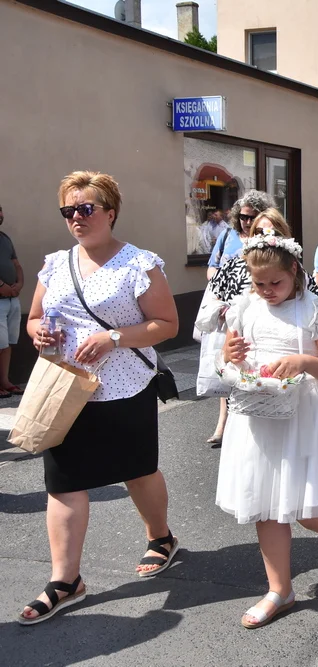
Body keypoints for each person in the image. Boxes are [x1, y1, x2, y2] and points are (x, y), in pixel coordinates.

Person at [19, 171, 180, 625]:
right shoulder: (55, 264)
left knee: (138, 470)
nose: (76, 218)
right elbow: (33, 319)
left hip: (125, 384)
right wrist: (40, 333)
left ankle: (161, 537)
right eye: (68, 211)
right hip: (66, 386)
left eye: (86, 209)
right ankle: (65, 579)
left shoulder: (138, 264)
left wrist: (113, 337)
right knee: (63, 480)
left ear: (111, 212)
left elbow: (166, 323)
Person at [216, 231, 318, 629]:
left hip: (305, 419)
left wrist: (305, 362)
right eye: (258, 282)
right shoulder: (245, 307)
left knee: (308, 510)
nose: (266, 290)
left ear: (294, 270)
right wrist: (229, 355)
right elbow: (230, 357)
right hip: (259, 415)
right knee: (265, 506)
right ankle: (280, 589)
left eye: (274, 283)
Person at [202, 207, 317, 445]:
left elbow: (313, 308)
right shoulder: (235, 263)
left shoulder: (295, 272)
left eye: (271, 231)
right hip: (246, 341)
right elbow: (215, 293)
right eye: (259, 230)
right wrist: (225, 312)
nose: (265, 236)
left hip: (288, 369)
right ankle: (223, 421)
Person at [208, 190, 274, 281]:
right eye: (243, 217)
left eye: (253, 218)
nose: (248, 222)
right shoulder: (226, 235)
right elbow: (212, 267)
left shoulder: (270, 239)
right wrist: (219, 286)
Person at [0, 202, 25, 397]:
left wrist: (18, 284)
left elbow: (16, 264)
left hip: (12, 301)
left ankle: (5, 381)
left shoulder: (5, 239)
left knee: (7, 344)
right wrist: (2, 287)